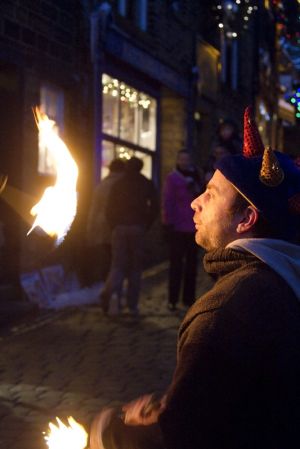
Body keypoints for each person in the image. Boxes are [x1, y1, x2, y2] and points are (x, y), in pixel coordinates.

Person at [89, 106, 300, 449]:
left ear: (247, 218)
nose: (195, 203)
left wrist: (114, 432)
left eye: (212, 194)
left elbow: (182, 438)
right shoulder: (282, 282)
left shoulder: (225, 311)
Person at [100, 157, 159, 316]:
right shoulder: (146, 183)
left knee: (117, 265)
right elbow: (154, 206)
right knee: (135, 267)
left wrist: (114, 225)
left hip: (119, 228)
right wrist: (146, 224)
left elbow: (109, 208)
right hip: (137, 228)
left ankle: (112, 294)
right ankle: (132, 305)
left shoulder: (118, 184)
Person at [162, 150, 203, 310]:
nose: (184, 162)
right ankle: (172, 299)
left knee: (192, 265)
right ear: (178, 160)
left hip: (194, 227)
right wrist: (167, 223)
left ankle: (188, 299)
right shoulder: (172, 178)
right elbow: (168, 201)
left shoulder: (197, 177)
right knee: (176, 265)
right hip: (177, 228)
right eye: (182, 159)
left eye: (187, 159)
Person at [85, 159, 125, 283]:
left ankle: (105, 284)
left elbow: (94, 209)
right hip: (118, 225)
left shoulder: (101, 185)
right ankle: (113, 288)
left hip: (101, 227)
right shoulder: (123, 185)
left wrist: (90, 230)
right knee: (118, 259)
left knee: (107, 257)